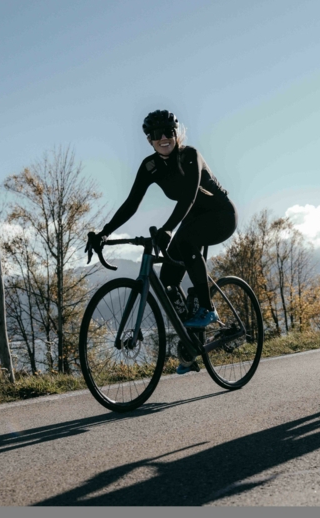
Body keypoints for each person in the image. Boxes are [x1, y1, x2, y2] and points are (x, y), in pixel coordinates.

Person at [88, 110, 237, 372]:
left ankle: (207, 308)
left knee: (188, 243)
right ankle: (191, 348)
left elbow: (189, 199)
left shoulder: (190, 156)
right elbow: (131, 204)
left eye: (169, 132)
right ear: (149, 140)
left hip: (220, 215)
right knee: (168, 282)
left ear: (177, 134)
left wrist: (168, 229)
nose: (163, 138)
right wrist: (104, 232)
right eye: (156, 135)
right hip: (191, 220)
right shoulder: (150, 167)